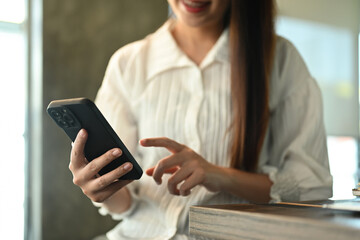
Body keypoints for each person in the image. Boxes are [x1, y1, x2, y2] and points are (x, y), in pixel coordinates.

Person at [69, 0, 333, 239]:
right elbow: (124, 204)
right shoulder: (128, 63)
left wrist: (220, 176)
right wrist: (101, 190)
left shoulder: (280, 59)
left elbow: (312, 186)